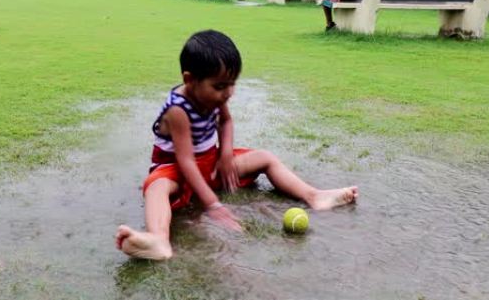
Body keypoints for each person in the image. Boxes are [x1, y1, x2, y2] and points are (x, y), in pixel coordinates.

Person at [115, 30, 358, 260]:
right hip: (177, 171)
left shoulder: (215, 96)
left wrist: (226, 155)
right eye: (220, 86)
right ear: (190, 80)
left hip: (212, 165)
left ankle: (314, 196)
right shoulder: (178, 110)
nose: (228, 92)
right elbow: (186, 162)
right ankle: (159, 240)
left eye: (232, 83)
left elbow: (226, 122)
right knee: (156, 188)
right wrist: (213, 204)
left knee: (265, 157)